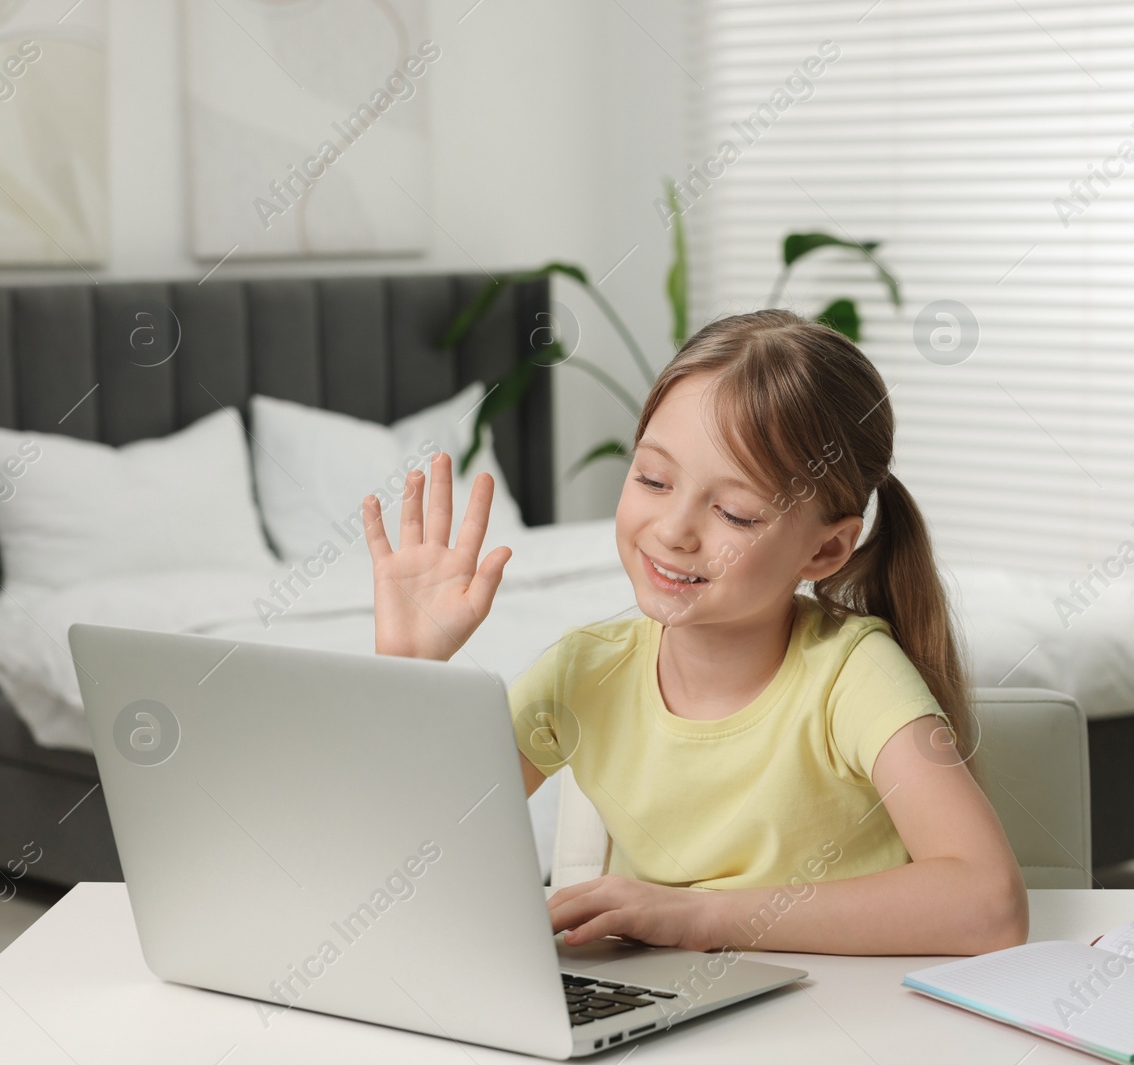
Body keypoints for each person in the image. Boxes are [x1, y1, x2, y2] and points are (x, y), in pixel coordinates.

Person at [364, 309, 1027, 956]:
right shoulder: (582, 672)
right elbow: (415, 859)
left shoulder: (852, 676)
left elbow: (989, 903)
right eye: (653, 478)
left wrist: (701, 915)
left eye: (736, 514)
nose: (674, 530)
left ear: (825, 552)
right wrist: (407, 671)